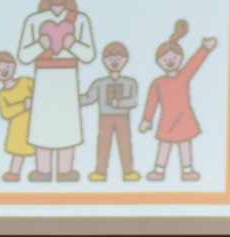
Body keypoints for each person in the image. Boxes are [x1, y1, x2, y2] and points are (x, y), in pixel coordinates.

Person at [14, 0, 94, 182]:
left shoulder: (80, 20)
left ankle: (66, 170)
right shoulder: (34, 21)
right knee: (43, 124)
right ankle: (43, 170)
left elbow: (88, 55)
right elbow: (24, 55)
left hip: (68, 77)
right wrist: (41, 44)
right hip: (44, 78)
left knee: (67, 124)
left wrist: (72, 44)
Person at [139, 21, 217, 182]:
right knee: (164, 144)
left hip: (184, 118)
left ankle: (187, 170)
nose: (170, 61)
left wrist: (205, 48)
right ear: (159, 61)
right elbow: (152, 103)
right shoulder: (158, 83)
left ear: (180, 58)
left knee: (185, 144)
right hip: (167, 119)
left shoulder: (183, 76)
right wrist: (147, 120)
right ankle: (159, 170)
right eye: (165, 58)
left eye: (174, 57)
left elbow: (194, 64)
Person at [79, 42, 139, 182]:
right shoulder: (100, 83)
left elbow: (133, 101)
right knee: (103, 143)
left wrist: (120, 103)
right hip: (105, 117)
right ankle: (100, 172)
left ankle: (128, 171)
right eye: (110, 59)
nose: (114, 62)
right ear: (104, 61)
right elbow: (88, 98)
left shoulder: (130, 82)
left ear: (125, 60)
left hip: (122, 117)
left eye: (118, 59)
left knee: (125, 143)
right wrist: (72, 100)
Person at [0, 51, 36, 182]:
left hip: (34, 123)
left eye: (6, 67)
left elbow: (40, 92)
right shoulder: (2, 95)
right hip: (18, 128)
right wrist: (23, 105)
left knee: (39, 147)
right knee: (18, 151)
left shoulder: (26, 81)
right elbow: (6, 113)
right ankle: (14, 172)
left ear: (13, 66)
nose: (4, 71)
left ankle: (42, 171)